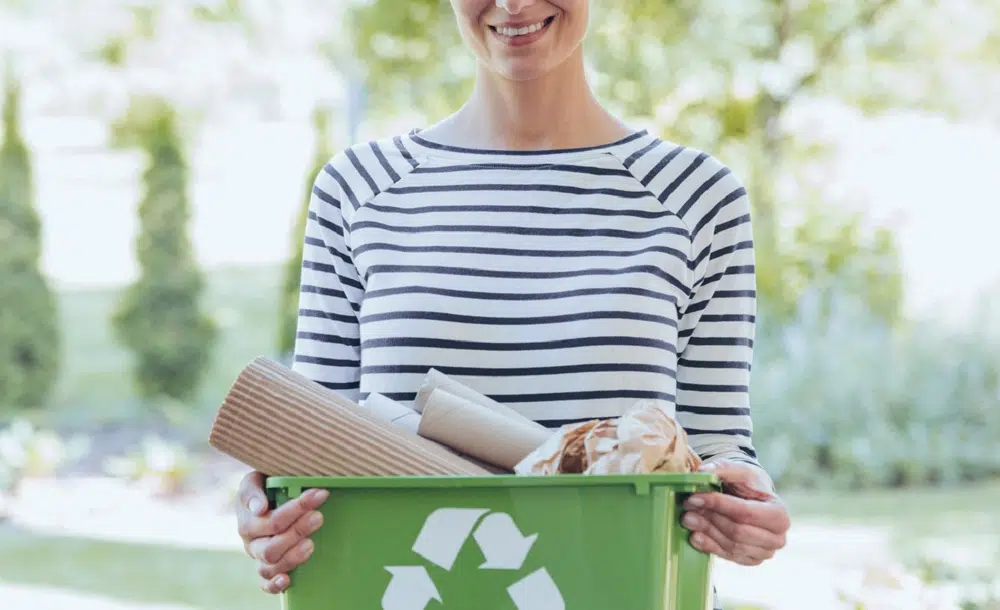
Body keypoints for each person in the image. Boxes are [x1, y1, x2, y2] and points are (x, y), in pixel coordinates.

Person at [235, 0, 791, 606]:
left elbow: (716, 446)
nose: (513, 4)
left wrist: (745, 508)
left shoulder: (698, 198)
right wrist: (268, 514)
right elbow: (312, 439)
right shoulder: (358, 190)